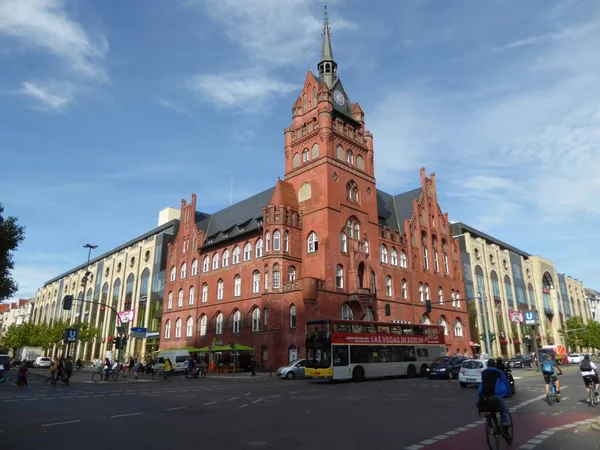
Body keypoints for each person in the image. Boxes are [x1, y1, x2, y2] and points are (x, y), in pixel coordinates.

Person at [478, 359, 512, 437]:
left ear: (487, 365)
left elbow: (482, 384)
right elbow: (506, 382)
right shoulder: (499, 372)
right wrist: (509, 393)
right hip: (496, 395)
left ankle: (489, 423)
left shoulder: (484, 372)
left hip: (485, 395)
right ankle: (505, 424)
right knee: (503, 410)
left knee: (487, 409)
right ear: (494, 365)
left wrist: (480, 395)